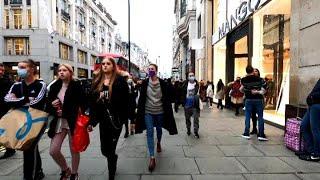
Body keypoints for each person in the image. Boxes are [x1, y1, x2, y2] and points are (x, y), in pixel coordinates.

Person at [87, 57, 129, 180]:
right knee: (104, 150)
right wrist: (91, 121)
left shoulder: (120, 81)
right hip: (103, 121)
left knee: (111, 148)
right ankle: (113, 158)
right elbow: (92, 104)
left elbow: (126, 101)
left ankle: (111, 173)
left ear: (113, 66)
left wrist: (125, 118)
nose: (105, 65)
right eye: (103, 64)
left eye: (108, 63)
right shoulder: (97, 81)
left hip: (116, 120)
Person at [4, 59, 46, 180]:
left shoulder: (40, 85)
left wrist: (17, 100)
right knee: (32, 147)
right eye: (18, 67)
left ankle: (28, 177)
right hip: (20, 121)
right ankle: (38, 171)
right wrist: (25, 100)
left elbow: (37, 102)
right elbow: (7, 100)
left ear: (32, 69)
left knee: (28, 149)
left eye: (23, 67)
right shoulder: (16, 85)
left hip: (36, 121)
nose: (19, 70)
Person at [46, 64, 86, 180]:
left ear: (70, 72)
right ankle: (65, 169)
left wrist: (81, 113)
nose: (61, 72)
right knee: (53, 150)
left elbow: (84, 103)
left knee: (74, 149)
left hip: (73, 121)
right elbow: (48, 102)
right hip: (59, 122)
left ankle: (74, 173)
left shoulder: (76, 85)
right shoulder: (54, 86)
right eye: (59, 70)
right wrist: (51, 104)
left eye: (64, 70)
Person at [135, 63, 178, 172]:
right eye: (149, 69)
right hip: (148, 112)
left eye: (152, 69)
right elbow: (141, 98)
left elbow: (171, 94)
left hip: (160, 112)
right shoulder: (145, 83)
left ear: (156, 71)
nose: (150, 71)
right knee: (150, 132)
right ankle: (152, 158)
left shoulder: (163, 83)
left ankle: (158, 142)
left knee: (159, 130)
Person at [240, 65, 268, 141]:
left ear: (246, 71)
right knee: (260, 117)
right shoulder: (260, 79)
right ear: (252, 71)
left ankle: (246, 133)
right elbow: (264, 90)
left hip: (248, 100)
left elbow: (241, 89)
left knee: (247, 116)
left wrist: (247, 91)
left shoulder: (243, 80)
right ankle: (261, 135)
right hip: (258, 100)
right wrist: (257, 92)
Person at [299, 79, 320, 161]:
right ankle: (310, 150)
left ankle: (317, 154)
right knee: (304, 126)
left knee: (315, 130)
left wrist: (313, 96)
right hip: (312, 104)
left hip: (317, 105)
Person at [0, 63, 16, 159]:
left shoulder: (8, 82)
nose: (1, 72)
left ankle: (10, 150)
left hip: (5, 110)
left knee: (5, 131)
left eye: (2, 70)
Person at [181, 72, 200, 138]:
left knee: (196, 119)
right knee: (187, 119)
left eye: (193, 75)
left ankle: (196, 132)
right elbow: (181, 93)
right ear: (188, 77)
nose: (192, 76)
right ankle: (188, 129)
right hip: (187, 105)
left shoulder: (197, 84)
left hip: (195, 104)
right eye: (190, 75)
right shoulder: (185, 84)